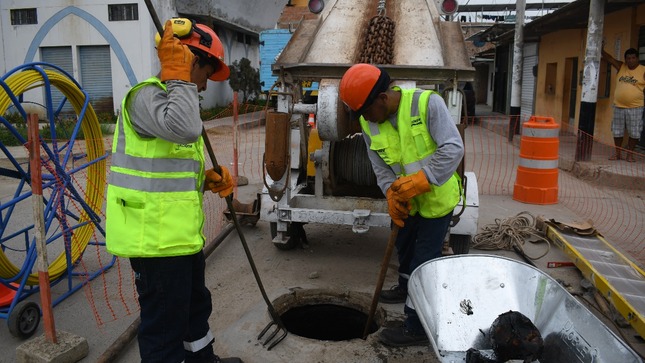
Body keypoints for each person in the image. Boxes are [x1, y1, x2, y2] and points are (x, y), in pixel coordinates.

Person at [106, 19, 241, 363]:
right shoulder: (147, 96)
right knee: (164, 328)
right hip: (156, 243)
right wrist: (179, 76)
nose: (206, 85)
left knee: (195, 311)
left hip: (179, 239)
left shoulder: (175, 100)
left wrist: (205, 180)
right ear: (188, 58)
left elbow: (167, 173)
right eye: (206, 72)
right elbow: (185, 129)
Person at [339, 64, 464, 346]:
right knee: (405, 251)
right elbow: (380, 166)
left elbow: (453, 147)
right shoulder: (368, 122)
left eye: (366, 110)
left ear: (382, 98)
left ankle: (417, 326)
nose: (366, 118)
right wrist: (390, 195)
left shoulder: (427, 103)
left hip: (435, 201)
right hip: (407, 202)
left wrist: (425, 179)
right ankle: (405, 287)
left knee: (424, 262)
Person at [601, 47, 645, 162]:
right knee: (617, 131)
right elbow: (610, 59)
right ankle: (618, 153)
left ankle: (630, 154)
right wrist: (601, 49)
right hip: (618, 106)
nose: (630, 60)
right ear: (625, 59)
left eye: (633, 58)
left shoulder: (643, 70)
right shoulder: (621, 66)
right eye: (628, 58)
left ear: (637, 59)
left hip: (636, 107)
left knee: (634, 132)